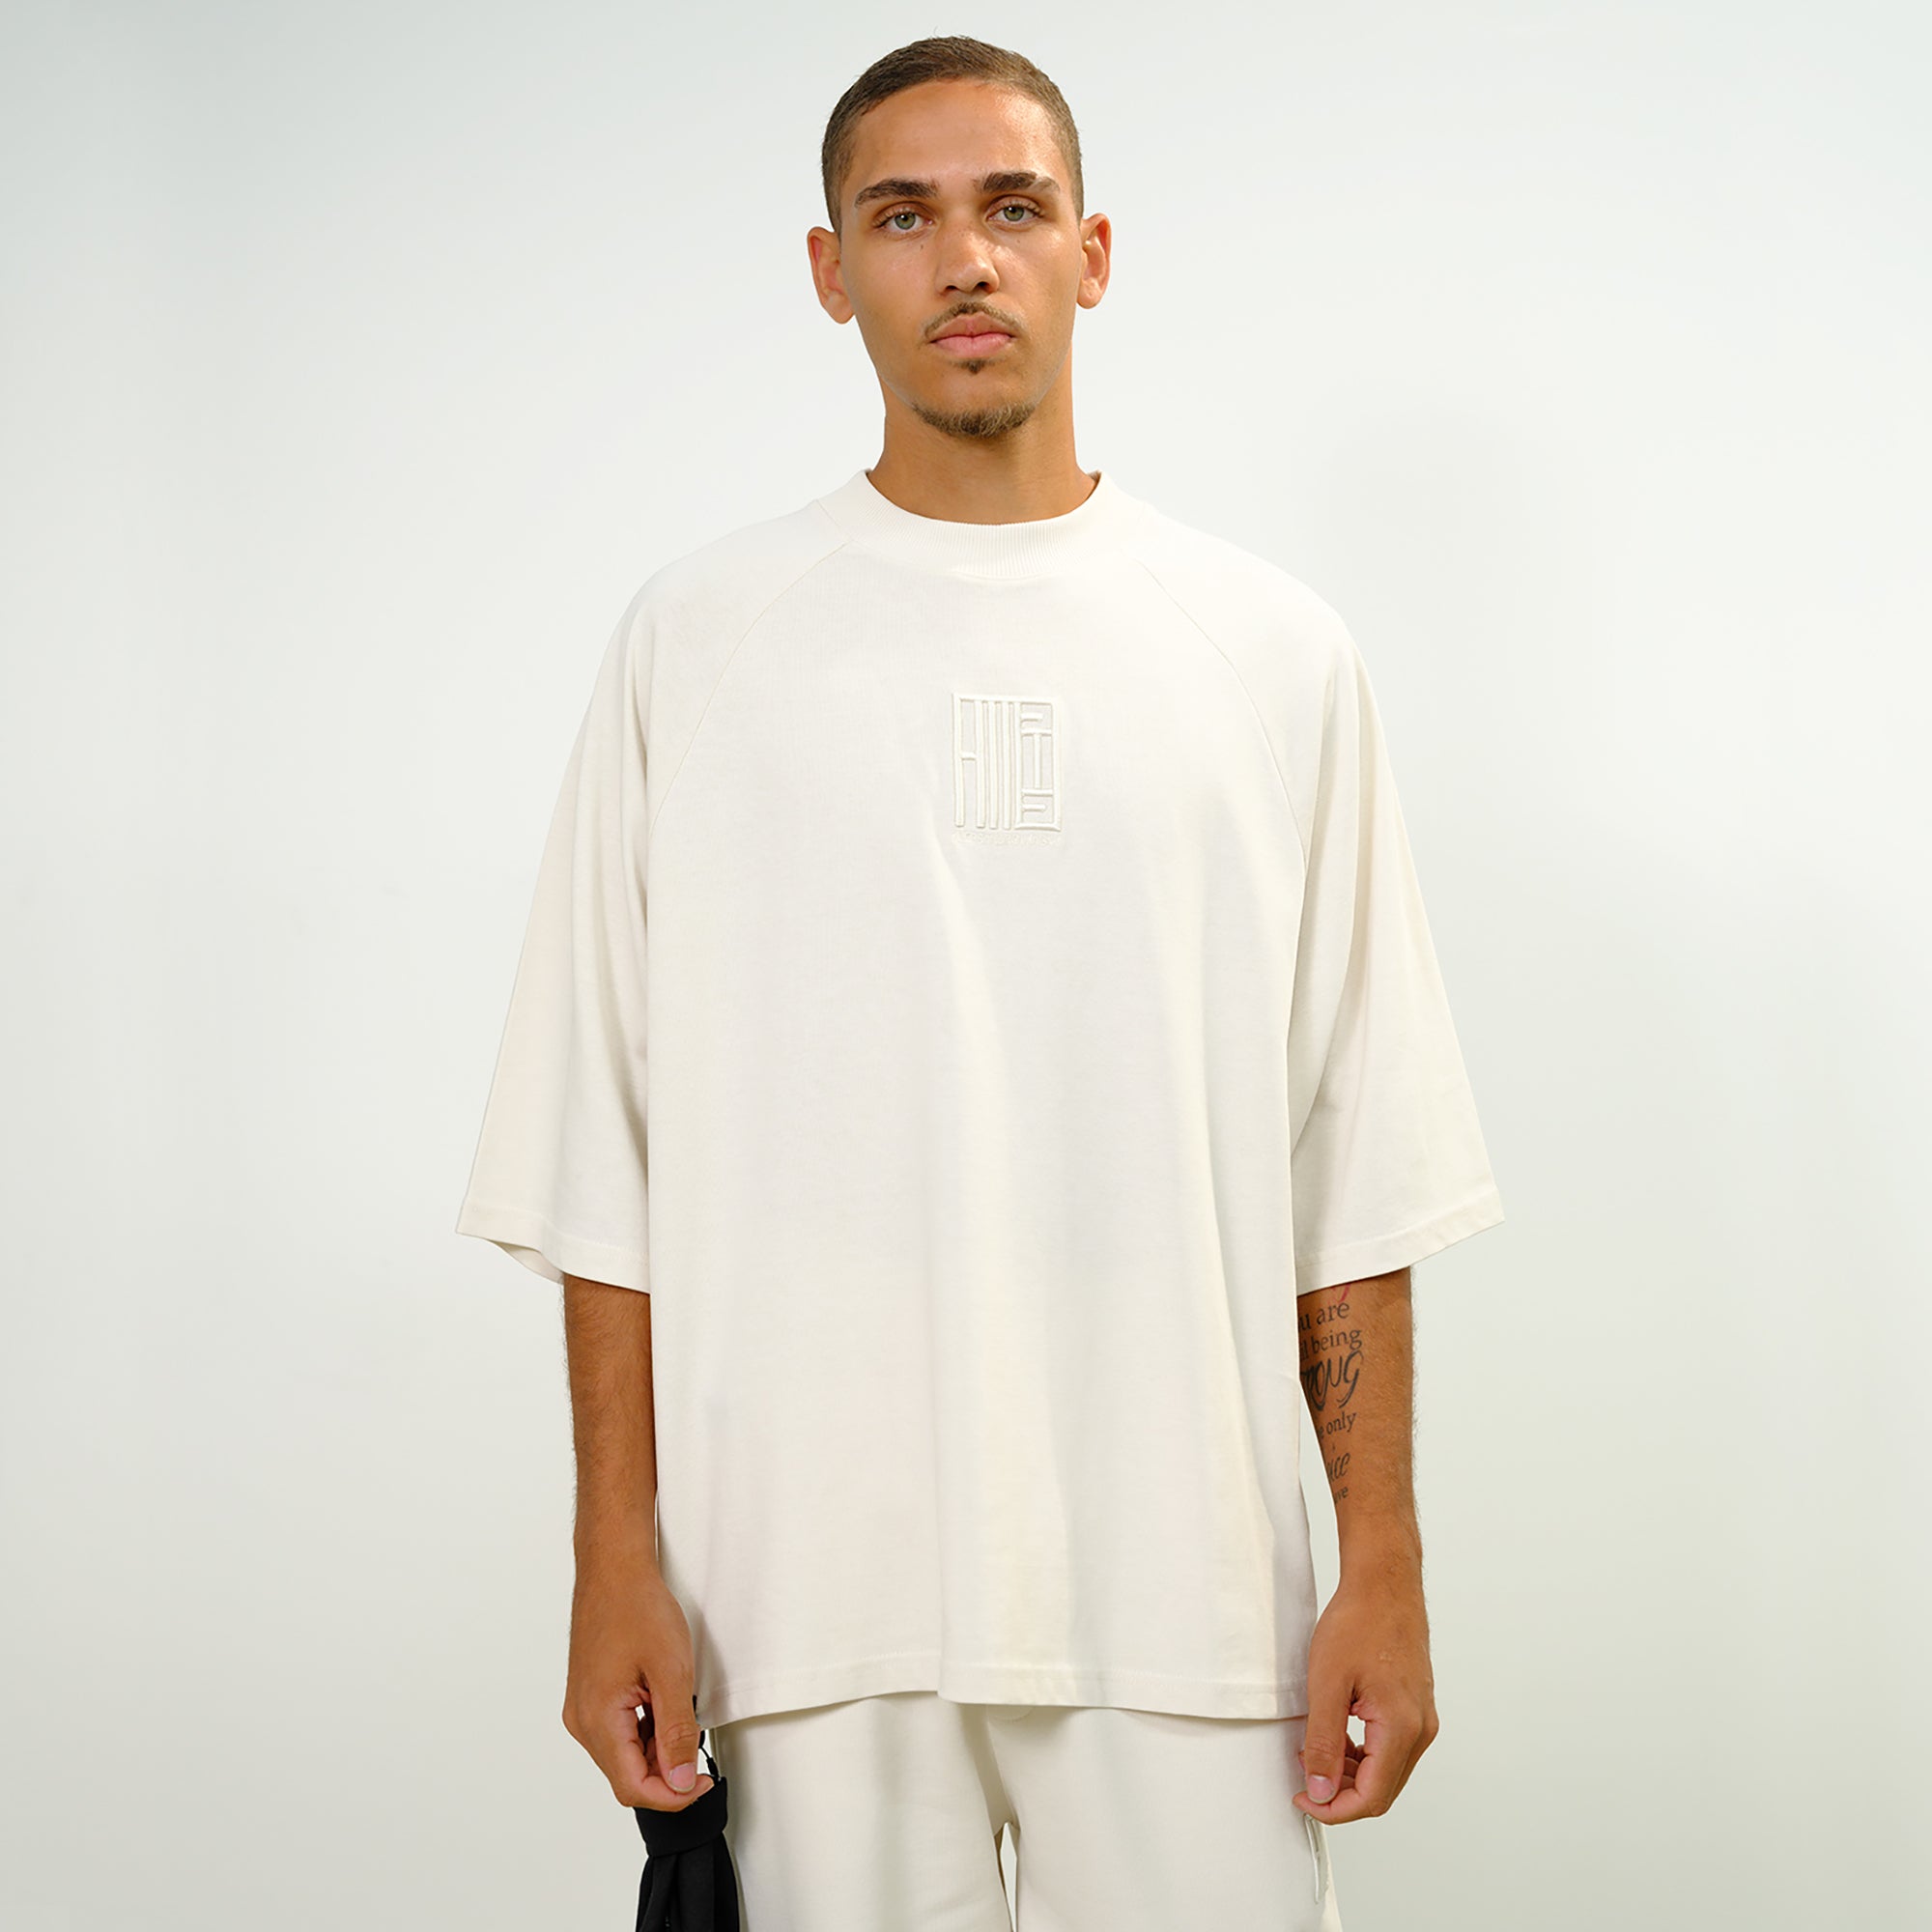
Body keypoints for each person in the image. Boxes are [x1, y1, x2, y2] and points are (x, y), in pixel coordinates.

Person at [455, 34, 1504, 1931]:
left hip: (1191, 1596)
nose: (963, 258)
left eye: (1012, 207)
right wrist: (614, 1556)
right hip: (795, 1598)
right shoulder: (697, 643)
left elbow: (1353, 1159)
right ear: (827, 269)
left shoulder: (1270, 652)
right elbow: (600, 1154)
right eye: (902, 215)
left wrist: (1384, 1562)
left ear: (1091, 252)